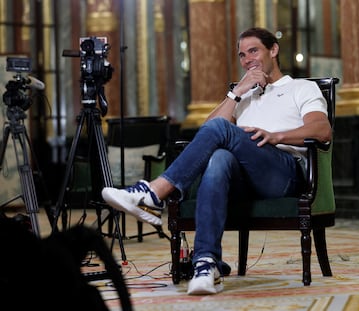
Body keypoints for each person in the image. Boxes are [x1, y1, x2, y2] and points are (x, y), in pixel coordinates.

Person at [102, 27, 331, 295]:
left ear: (274, 50)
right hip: (243, 178)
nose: (247, 60)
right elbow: (207, 132)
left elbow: (321, 130)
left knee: (222, 133)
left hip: (283, 173)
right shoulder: (243, 95)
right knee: (219, 158)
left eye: (253, 51)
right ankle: (206, 263)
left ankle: (154, 193)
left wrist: (275, 135)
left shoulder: (301, 88)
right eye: (242, 55)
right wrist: (237, 93)